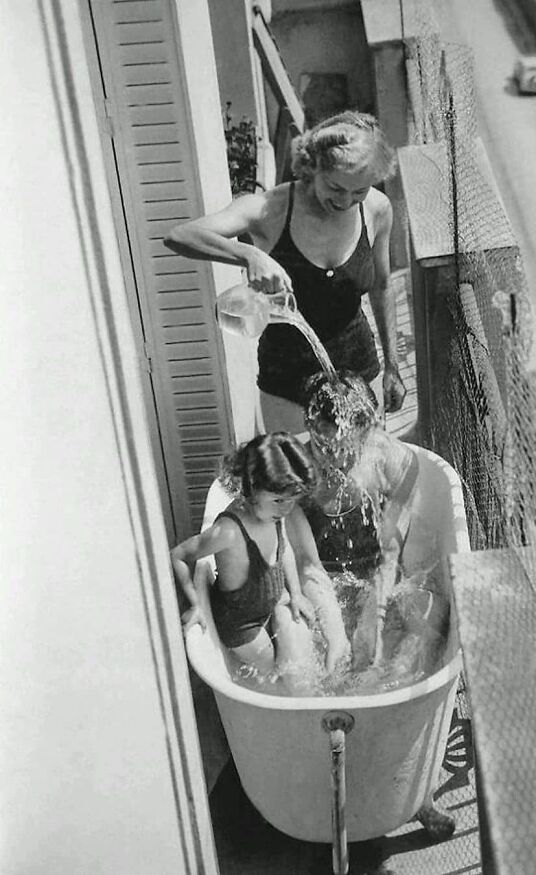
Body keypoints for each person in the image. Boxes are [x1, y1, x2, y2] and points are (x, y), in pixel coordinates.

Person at [164, 110, 406, 433]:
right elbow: (179, 236)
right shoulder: (270, 210)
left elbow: (382, 286)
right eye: (336, 188)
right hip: (288, 382)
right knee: (300, 478)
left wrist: (392, 365)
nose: (347, 200)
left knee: (368, 476)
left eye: (358, 191)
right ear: (312, 166)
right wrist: (247, 254)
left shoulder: (377, 209)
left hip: (358, 368)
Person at [170, 433, 349, 691]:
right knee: (275, 678)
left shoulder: (272, 514)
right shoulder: (229, 531)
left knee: (303, 666)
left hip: (269, 602)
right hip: (243, 627)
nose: (286, 509)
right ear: (252, 486)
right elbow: (179, 555)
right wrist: (196, 604)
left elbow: (283, 549)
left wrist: (296, 593)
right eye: (279, 500)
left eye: (292, 500)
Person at [300, 371, 425, 667]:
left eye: (350, 448)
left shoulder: (395, 461)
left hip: (376, 575)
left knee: (430, 622)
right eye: (327, 448)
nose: (339, 460)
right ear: (308, 426)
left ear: (368, 429)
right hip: (318, 582)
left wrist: (374, 614)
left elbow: (390, 555)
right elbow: (301, 562)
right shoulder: (295, 472)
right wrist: (333, 627)